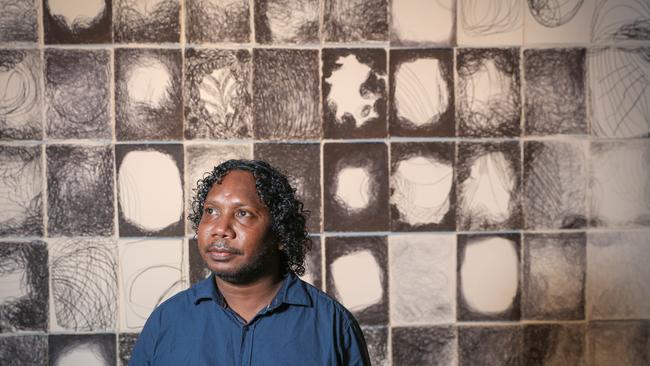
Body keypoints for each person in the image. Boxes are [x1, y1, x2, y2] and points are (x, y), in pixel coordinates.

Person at [129, 159, 371, 365]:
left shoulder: (333, 326)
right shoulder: (166, 321)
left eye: (242, 213)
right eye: (211, 211)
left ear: (280, 233)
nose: (220, 229)